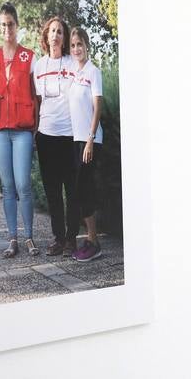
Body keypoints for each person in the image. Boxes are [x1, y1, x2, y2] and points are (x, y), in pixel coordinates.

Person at [0, 2, 38, 257]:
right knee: (7, 186)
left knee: (23, 184)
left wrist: (36, 129)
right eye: (3, 24)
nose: (7, 28)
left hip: (22, 131)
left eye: (10, 24)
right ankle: (12, 238)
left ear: (17, 26)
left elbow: (36, 95)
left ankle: (29, 236)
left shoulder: (29, 57)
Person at [32, 15, 77, 256]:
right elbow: (39, 102)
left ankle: (72, 239)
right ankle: (58, 237)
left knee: (71, 189)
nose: (56, 35)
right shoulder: (39, 66)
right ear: (46, 36)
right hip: (47, 136)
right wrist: (36, 132)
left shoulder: (72, 63)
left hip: (69, 135)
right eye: (52, 31)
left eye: (60, 31)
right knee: (52, 190)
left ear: (64, 36)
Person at [65, 27, 105, 262]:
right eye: (73, 45)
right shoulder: (74, 72)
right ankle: (90, 240)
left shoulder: (93, 72)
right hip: (76, 140)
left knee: (84, 191)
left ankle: (93, 242)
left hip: (90, 141)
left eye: (80, 44)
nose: (76, 49)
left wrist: (90, 139)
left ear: (87, 45)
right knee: (80, 192)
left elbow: (97, 105)